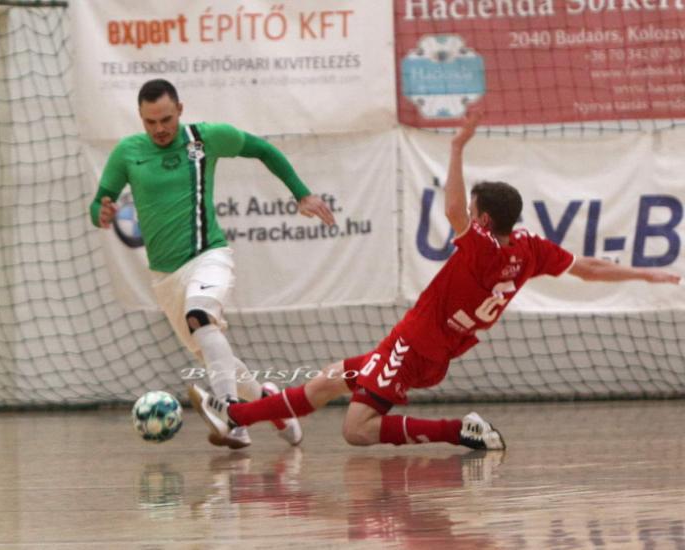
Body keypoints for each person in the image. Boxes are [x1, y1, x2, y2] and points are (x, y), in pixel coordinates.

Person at [189, 109, 682, 451]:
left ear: (484, 221)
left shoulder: (485, 250)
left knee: (356, 430)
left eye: (473, 213)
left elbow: (452, 208)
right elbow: (590, 268)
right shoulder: (530, 248)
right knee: (328, 380)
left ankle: (458, 430)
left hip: (417, 344)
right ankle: (236, 415)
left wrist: (457, 146)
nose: (466, 217)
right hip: (432, 348)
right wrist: (643, 272)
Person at [90, 78, 335, 449]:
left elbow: (262, 149)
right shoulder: (128, 152)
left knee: (200, 315)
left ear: (180, 110)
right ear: (141, 118)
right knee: (212, 352)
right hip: (165, 277)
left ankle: (232, 417)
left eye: (166, 119)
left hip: (209, 255)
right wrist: (101, 212)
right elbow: (99, 202)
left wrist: (301, 193)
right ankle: (269, 404)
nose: (159, 128)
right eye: (151, 122)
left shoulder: (205, 139)